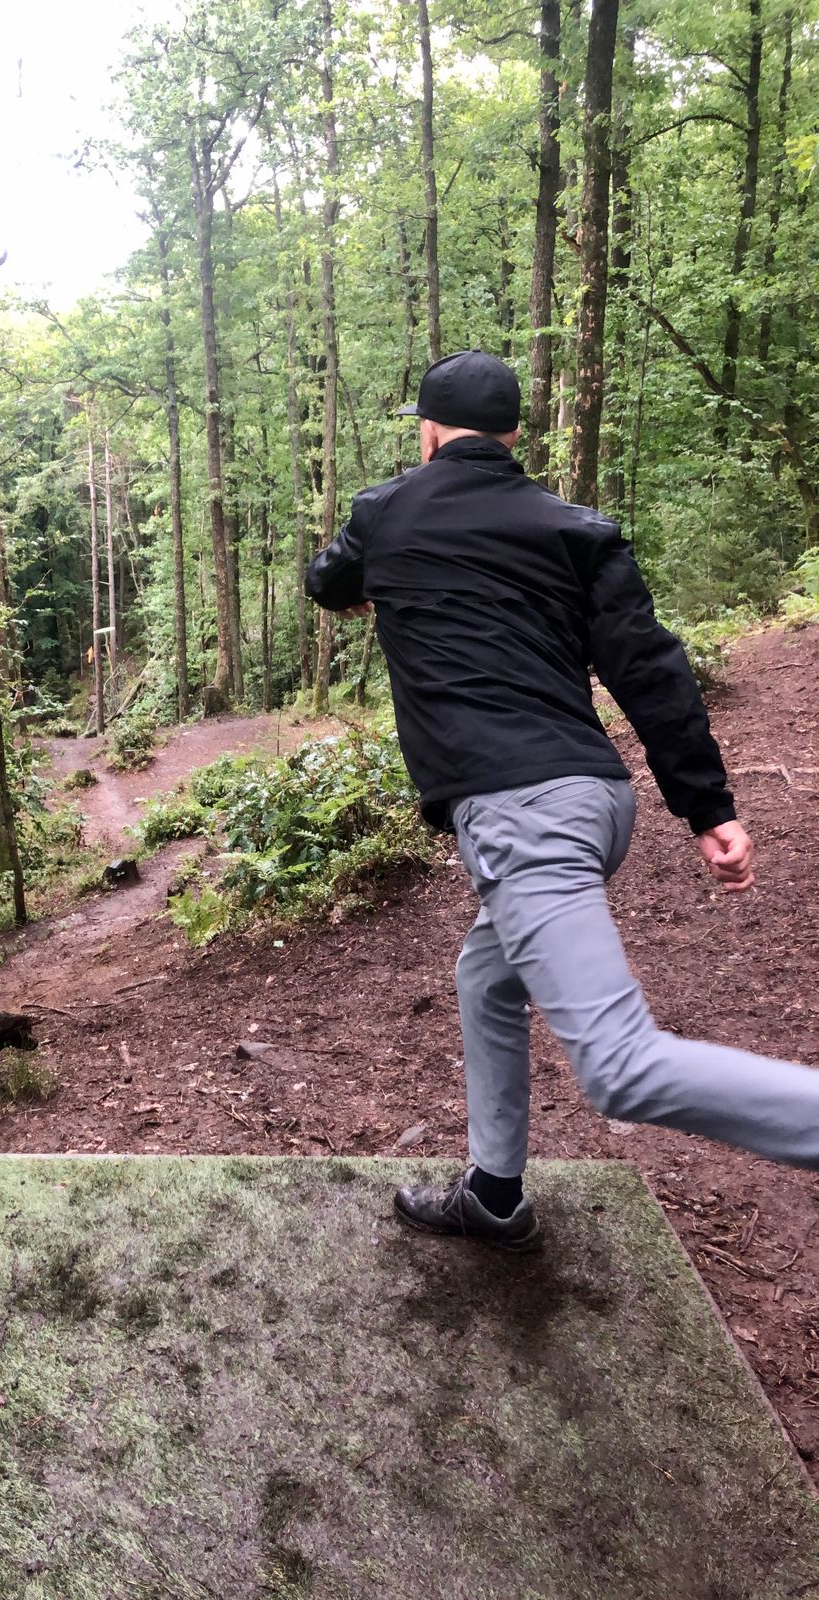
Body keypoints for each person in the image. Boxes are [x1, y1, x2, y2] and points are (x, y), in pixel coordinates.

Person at [305, 348, 819, 1253]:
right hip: (597, 800)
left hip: (522, 815)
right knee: (486, 976)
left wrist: (370, 590)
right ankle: (495, 1194)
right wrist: (709, 809)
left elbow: (327, 580)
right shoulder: (575, 528)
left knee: (621, 1069)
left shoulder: (387, 512)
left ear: (428, 434)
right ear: (512, 435)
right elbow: (649, 670)